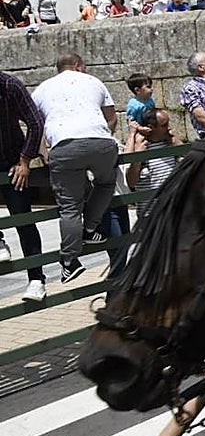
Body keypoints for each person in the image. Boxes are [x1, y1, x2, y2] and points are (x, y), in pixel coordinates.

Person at [31, 54, 118, 284]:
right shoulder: (93, 81)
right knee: (106, 183)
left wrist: (43, 151)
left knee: (69, 207)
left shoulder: (42, 88)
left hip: (64, 146)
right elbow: (111, 118)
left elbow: (34, 124)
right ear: (79, 65)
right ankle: (90, 229)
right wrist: (101, 138)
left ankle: (69, 262)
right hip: (101, 142)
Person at [0, 70, 49, 302]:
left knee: (23, 220)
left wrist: (25, 160)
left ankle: (37, 279)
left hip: (12, 163)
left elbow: (35, 121)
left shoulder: (11, 86)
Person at [123, 107, 181, 218]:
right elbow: (131, 182)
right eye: (164, 125)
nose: (169, 128)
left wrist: (176, 142)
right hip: (149, 216)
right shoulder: (140, 146)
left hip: (172, 211)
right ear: (151, 128)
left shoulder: (170, 143)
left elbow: (190, 160)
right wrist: (138, 157)